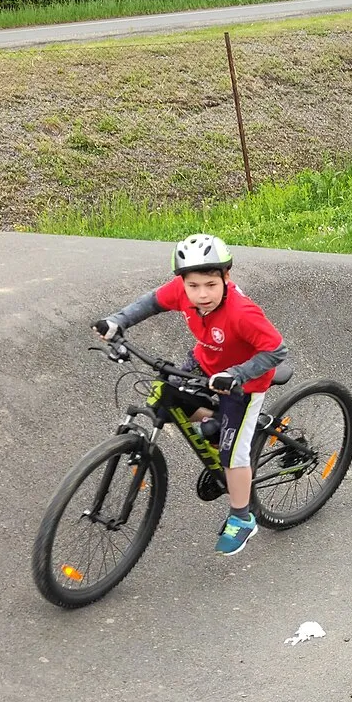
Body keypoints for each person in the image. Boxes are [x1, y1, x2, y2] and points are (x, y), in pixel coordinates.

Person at [95, 233, 285, 556]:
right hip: (204, 362)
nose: (201, 294)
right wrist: (118, 322)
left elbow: (276, 349)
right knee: (171, 394)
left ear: (226, 277)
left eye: (211, 284)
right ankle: (218, 425)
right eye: (193, 286)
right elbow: (151, 302)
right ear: (183, 282)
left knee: (232, 455)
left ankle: (242, 517)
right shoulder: (184, 293)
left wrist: (237, 375)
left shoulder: (242, 312)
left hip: (245, 382)